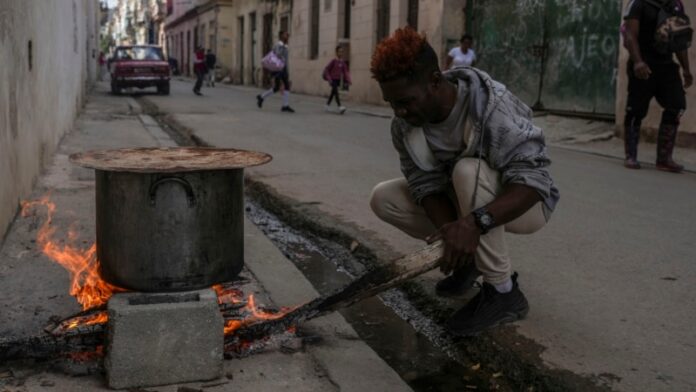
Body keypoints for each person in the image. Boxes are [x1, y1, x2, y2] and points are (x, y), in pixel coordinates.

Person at [369, 28, 559, 336]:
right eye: (392, 103)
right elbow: (424, 184)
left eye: (405, 101)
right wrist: (453, 234)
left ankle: (503, 292)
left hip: (526, 206)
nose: (399, 111)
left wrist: (473, 224)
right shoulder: (404, 126)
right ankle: (468, 260)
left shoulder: (490, 107)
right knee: (383, 197)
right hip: (467, 206)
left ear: (434, 81)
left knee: (466, 171)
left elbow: (534, 181)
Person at [623, 0, 691, 172]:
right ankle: (631, 155)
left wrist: (686, 69)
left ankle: (664, 159)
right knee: (635, 110)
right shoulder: (638, 4)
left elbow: (680, 40)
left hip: (666, 66)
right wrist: (638, 62)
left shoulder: (676, 5)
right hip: (643, 63)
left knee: (677, 105)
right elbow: (630, 35)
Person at [256, 31, 295, 112]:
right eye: (285, 34)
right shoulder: (279, 45)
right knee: (286, 85)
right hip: (279, 69)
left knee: (278, 87)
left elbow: (285, 59)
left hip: (283, 68)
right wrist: (283, 48)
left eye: (288, 35)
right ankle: (285, 105)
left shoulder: (285, 45)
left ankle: (262, 97)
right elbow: (278, 54)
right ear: (281, 36)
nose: (287, 36)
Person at [323, 45, 352, 114]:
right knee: (336, 92)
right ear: (336, 52)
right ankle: (340, 106)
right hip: (332, 80)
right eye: (339, 52)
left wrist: (348, 80)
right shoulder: (333, 61)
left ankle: (327, 105)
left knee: (333, 93)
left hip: (338, 80)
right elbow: (327, 69)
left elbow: (345, 72)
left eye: (342, 52)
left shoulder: (342, 62)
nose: (340, 53)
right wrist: (329, 79)